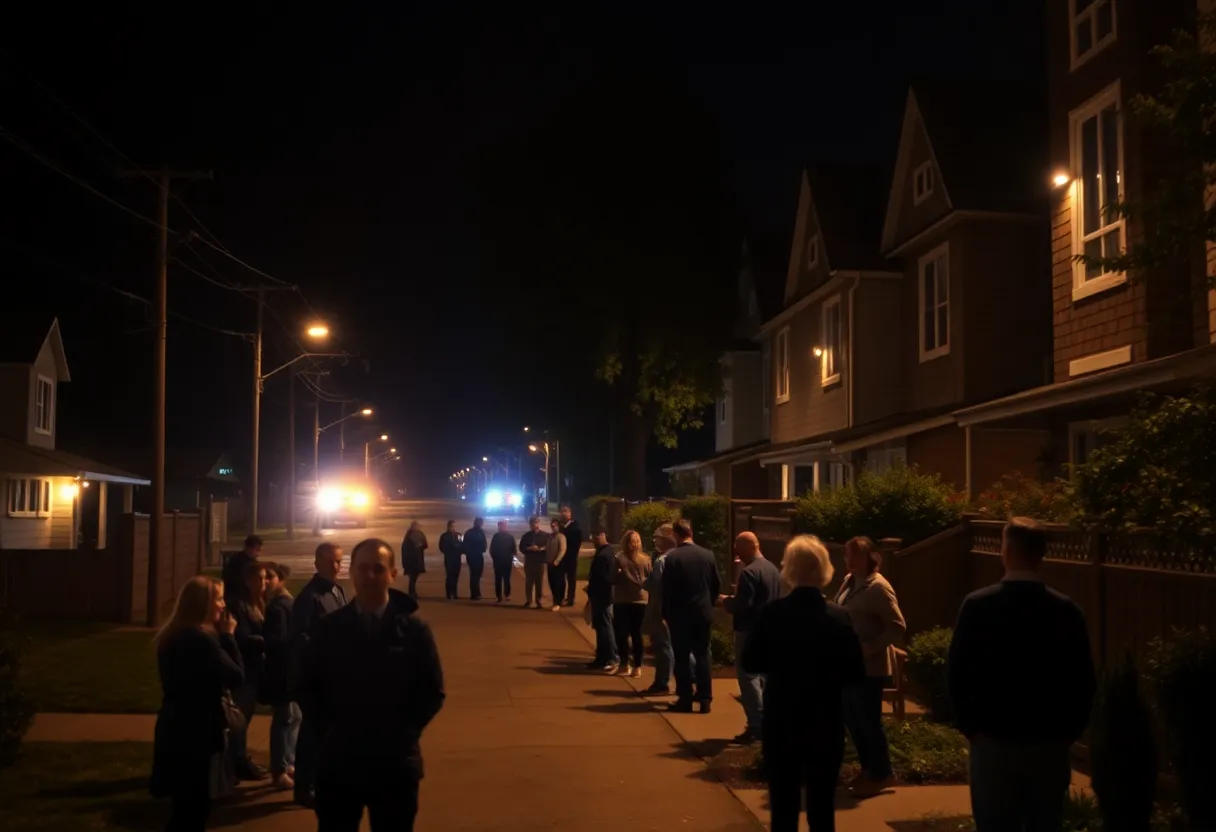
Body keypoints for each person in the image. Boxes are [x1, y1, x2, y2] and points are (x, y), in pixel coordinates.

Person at [947, 517, 1095, 832]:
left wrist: (970, 727)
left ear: (1006, 551)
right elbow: (1083, 681)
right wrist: (1067, 733)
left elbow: (957, 674)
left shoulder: (978, 606)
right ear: (1041, 554)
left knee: (995, 824)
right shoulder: (1065, 611)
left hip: (992, 740)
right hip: (1049, 742)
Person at [298, 538, 445, 832]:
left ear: (393, 573)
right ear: (351, 573)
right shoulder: (328, 629)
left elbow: (431, 691)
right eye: (363, 568)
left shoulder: (414, 632)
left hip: (395, 765)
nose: (370, 576)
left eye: (379, 569)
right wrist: (330, 732)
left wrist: (404, 732)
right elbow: (308, 688)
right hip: (340, 763)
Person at [741, 535, 867, 832]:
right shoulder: (839, 617)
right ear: (824, 568)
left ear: (790, 569)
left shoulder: (772, 615)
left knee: (783, 807)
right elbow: (855, 673)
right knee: (822, 807)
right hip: (825, 722)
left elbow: (750, 663)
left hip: (782, 721)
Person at [150, 576, 244, 832]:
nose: (223, 605)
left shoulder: (174, 635)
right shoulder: (198, 640)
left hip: (177, 725)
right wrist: (228, 637)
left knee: (187, 807)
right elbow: (237, 676)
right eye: (219, 598)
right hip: (196, 731)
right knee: (193, 809)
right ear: (203, 604)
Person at [834, 535, 906, 797]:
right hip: (848, 664)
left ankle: (883, 773)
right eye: (847, 554)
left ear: (870, 557)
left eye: (855, 554)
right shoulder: (848, 581)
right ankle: (868, 768)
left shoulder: (878, 587)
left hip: (870, 667)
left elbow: (897, 625)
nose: (849, 559)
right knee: (852, 719)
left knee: (868, 721)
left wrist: (872, 647)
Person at [291, 542, 348, 808]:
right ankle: (304, 786)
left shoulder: (338, 591)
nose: (335, 566)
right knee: (312, 734)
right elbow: (299, 637)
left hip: (335, 676)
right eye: (330, 562)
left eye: (338, 561)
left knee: (328, 734)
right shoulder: (309, 597)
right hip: (315, 678)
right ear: (317, 563)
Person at [720, 531, 783, 745]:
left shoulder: (749, 573)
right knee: (765, 678)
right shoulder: (773, 570)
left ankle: (756, 726)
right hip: (771, 630)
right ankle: (768, 722)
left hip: (749, 631)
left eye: (738, 549)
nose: (737, 554)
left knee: (748, 678)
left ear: (747, 547)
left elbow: (743, 605)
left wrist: (726, 602)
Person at [661, 518, 720, 713]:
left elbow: (667, 590)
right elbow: (715, 585)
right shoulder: (708, 555)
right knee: (703, 655)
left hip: (680, 615)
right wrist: (708, 604)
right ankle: (705, 699)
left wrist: (666, 614)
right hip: (702, 613)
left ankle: (685, 699)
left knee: (682, 657)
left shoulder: (673, 558)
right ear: (691, 533)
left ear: (676, 535)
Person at [261, 562, 300, 791]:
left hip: (285, 672)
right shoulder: (280, 606)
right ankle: (279, 769)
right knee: (285, 718)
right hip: (282, 673)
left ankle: (287, 762)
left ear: (281, 580)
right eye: (264, 577)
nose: (266, 582)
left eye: (271, 578)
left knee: (293, 716)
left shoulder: (280, 607)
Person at [228, 561, 269, 781]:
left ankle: (239, 759)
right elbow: (240, 638)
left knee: (246, 716)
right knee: (239, 718)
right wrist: (266, 641)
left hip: (254, 668)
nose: (263, 583)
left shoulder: (259, 603)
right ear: (247, 580)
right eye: (259, 578)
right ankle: (235, 762)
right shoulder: (239, 605)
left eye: (265, 578)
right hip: (244, 668)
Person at [642, 523, 679, 695]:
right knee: (679, 646)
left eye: (658, 538)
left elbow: (653, 585)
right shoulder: (680, 556)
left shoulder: (662, 561)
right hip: (677, 609)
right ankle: (689, 677)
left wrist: (644, 581)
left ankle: (663, 682)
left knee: (663, 646)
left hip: (660, 609)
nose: (656, 541)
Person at [613, 530, 652, 679]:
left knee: (622, 634)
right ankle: (638, 666)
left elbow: (612, 577)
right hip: (641, 599)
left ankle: (624, 664)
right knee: (637, 634)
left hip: (623, 599)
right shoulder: (646, 559)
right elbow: (650, 577)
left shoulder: (619, 559)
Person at [584, 531, 619, 671]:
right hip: (599, 595)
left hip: (602, 596)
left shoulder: (605, 555)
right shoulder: (605, 553)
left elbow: (607, 577)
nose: (594, 539)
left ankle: (610, 656)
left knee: (605, 627)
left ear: (604, 536)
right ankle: (602, 657)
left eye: (597, 536)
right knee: (600, 627)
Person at [222, 534, 262, 607]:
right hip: (238, 598)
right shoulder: (240, 563)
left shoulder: (239, 559)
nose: (258, 554)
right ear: (249, 548)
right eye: (257, 549)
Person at [520, 516, 550, 608]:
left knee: (539, 582)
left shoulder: (545, 535)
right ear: (530, 525)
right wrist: (529, 548)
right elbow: (521, 548)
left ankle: (538, 601)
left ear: (538, 524)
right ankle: (529, 600)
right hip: (529, 561)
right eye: (532, 523)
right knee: (529, 581)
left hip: (539, 561)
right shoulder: (526, 536)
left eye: (536, 523)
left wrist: (541, 548)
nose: (534, 525)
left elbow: (548, 546)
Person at [558, 504, 585, 607]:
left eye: (566, 511)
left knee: (571, 578)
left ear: (570, 514)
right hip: (561, 557)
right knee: (560, 578)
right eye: (562, 511)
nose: (563, 513)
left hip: (571, 556)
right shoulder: (560, 526)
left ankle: (570, 598)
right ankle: (560, 596)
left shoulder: (575, 526)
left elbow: (579, 540)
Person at [489, 520, 517, 602]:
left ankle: (507, 594)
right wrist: (495, 557)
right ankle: (498, 596)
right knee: (498, 579)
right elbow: (492, 549)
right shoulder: (496, 536)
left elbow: (514, 549)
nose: (503, 527)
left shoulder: (510, 537)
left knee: (507, 578)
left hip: (507, 561)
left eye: (504, 526)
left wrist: (511, 557)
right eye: (501, 526)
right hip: (498, 561)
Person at [463, 517, 488, 601]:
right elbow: (465, 544)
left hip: (477, 555)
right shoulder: (472, 533)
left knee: (477, 574)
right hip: (473, 556)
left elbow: (484, 543)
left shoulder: (480, 532)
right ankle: (474, 593)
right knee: (474, 574)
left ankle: (476, 592)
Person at [545, 518, 568, 612]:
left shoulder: (561, 537)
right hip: (550, 563)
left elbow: (563, 549)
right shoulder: (550, 537)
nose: (553, 528)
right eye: (552, 526)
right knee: (551, 582)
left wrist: (557, 560)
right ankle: (556, 600)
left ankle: (557, 602)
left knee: (558, 583)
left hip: (558, 563)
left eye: (554, 526)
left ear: (558, 526)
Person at [401, 522, 428, 598]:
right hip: (411, 560)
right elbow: (405, 549)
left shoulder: (419, 534)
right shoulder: (409, 536)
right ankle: (412, 592)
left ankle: (412, 592)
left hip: (418, 559)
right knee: (412, 577)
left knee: (414, 577)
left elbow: (425, 544)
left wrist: (420, 545)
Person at [439, 521, 463, 600]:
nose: (453, 528)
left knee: (456, 576)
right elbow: (441, 547)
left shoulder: (459, 535)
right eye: (452, 526)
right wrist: (449, 550)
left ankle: (455, 593)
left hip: (457, 558)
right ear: (448, 526)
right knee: (449, 576)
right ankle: (449, 593)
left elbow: (462, 544)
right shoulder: (444, 536)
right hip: (449, 558)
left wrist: (459, 549)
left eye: (454, 526)